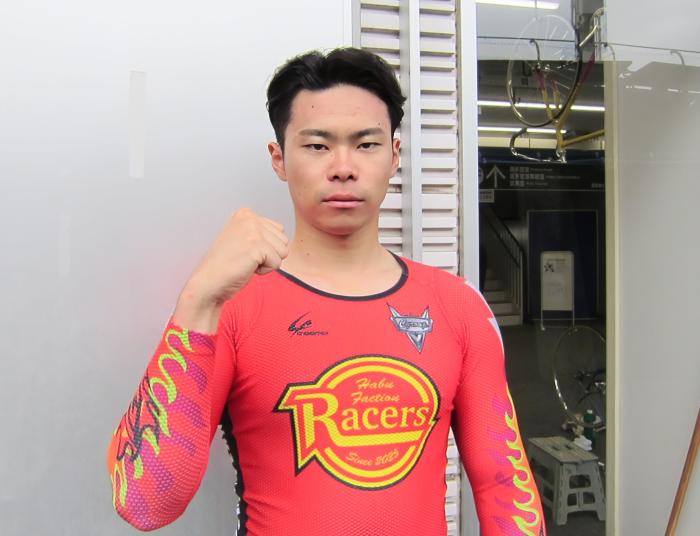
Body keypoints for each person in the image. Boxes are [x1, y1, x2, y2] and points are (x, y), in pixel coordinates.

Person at [107, 47, 546, 536]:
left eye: (366, 144)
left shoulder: (457, 307)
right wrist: (198, 298)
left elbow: (505, 485)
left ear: (394, 156)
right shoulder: (229, 308)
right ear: (279, 159)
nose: (343, 167)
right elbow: (144, 502)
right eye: (317, 146)